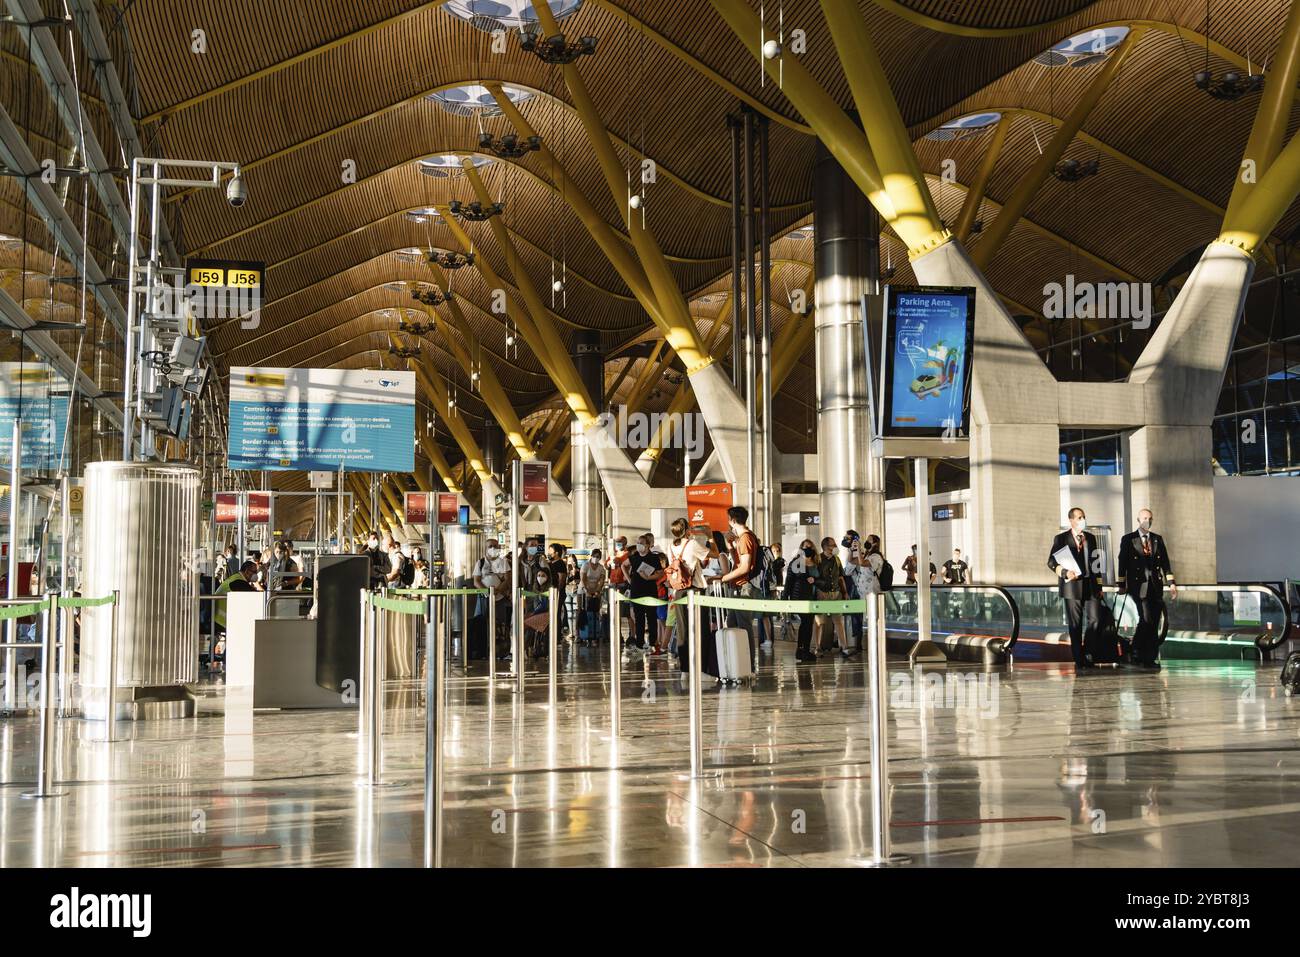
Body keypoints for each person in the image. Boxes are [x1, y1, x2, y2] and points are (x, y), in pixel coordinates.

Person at [1048, 507, 1105, 674]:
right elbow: (1051, 562)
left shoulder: (1091, 538)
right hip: (1072, 587)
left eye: (1084, 517)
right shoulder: (1061, 539)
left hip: (1091, 586)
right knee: (1076, 625)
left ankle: (1088, 653)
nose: (1082, 520)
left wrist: (1099, 586)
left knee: (1095, 619)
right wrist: (1065, 573)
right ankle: (1079, 660)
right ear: (1071, 520)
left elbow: (1096, 564)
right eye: (1079, 517)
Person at [1117, 508, 1176, 671]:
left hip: (1155, 586)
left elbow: (1165, 563)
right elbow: (1122, 562)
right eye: (1144, 518)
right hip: (1138, 586)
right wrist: (1121, 584)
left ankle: (1149, 657)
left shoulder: (1157, 539)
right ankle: (1135, 650)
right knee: (1146, 618)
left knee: (1154, 620)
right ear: (1138, 520)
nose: (1147, 521)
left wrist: (1171, 583)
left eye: (1150, 518)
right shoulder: (1129, 539)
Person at [717, 506, 761, 667]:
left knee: (744, 625)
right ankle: (737, 661)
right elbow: (738, 562)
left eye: (728, 519)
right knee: (732, 623)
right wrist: (729, 545)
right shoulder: (742, 538)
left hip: (744, 587)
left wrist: (723, 578)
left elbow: (744, 567)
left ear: (733, 520)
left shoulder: (745, 538)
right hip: (738, 585)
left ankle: (748, 663)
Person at [665, 519, 711, 666]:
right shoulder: (692, 544)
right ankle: (701, 666)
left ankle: (685, 667)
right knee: (701, 628)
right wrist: (710, 537)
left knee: (682, 630)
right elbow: (713, 554)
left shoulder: (671, 546)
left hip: (678, 591)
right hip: (695, 589)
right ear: (687, 529)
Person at [843, 533, 884, 657]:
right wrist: (853, 549)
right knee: (863, 618)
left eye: (869, 541)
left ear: (875, 543)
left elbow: (862, 564)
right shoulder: (866, 555)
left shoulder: (876, 557)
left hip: (871, 593)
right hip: (862, 594)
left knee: (871, 619)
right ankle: (861, 645)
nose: (867, 542)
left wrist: (860, 547)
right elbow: (851, 561)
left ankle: (875, 644)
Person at [623, 534, 664, 655]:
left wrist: (649, 577)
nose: (639, 544)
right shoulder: (634, 556)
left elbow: (660, 573)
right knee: (639, 618)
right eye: (638, 542)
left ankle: (652, 643)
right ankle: (639, 643)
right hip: (636, 590)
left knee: (651, 617)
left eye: (641, 542)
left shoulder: (654, 557)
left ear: (647, 545)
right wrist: (629, 580)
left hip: (650, 590)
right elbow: (623, 565)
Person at [785, 539, 820, 663]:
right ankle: (802, 650)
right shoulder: (796, 563)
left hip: (813, 598)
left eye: (810, 547)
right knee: (806, 622)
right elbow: (789, 581)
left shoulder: (817, 562)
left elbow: (820, 579)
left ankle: (803, 649)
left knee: (808, 623)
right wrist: (785, 599)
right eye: (805, 547)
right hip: (799, 597)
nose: (808, 549)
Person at [813, 536, 849, 655]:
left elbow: (840, 577)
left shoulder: (837, 559)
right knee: (819, 621)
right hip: (822, 594)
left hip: (836, 593)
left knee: (838, 621)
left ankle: (844, 647)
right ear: (825, 547)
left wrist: (845, 592)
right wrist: (819, 590)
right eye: (832, 545)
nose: (835, 547)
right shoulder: (817, 559)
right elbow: (814, 578)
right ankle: (817, 647)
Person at [578, 548, 607, 642]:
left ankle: (594, 634)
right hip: (583, 590)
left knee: (595, 612)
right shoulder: (585, 565)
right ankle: (579, 634)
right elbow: (583, 579)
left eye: (598, 557)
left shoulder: (601, 568)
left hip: (595, 591)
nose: (595, 558)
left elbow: (602, 580)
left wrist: (597, 591)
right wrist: (587, 591)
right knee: (581, 611)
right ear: (591, 556)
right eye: (594, 556)